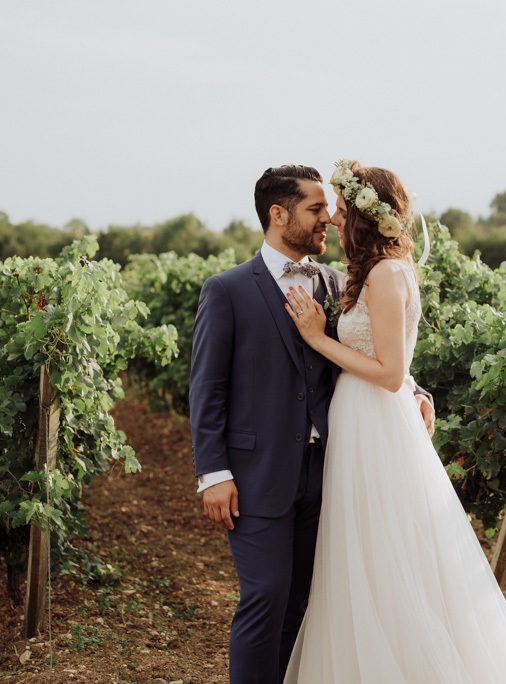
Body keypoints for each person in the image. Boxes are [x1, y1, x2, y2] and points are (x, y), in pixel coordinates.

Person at [281, 160, 506, 683]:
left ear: (364, 215)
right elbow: (399, 369)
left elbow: (389, 372)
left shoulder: (386, 274)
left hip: (375, 423)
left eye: (341, 208)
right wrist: (415, 389)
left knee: (384, 547)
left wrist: (320, 339)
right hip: (362, 420)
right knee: (365, 547)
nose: (334, 219)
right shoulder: (374, 272)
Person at [188, 164, 435, 684]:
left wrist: (414, 390)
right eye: (315, 209)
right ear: (279, 215)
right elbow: (206, 389)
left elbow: (369, 352)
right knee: (266, 595)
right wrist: (213, 473)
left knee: (305, 600)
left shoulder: (337, 283)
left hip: (330, 472)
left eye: (330, 209)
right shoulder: (227, 290)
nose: (328, 219)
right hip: (256, 475)